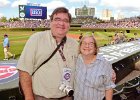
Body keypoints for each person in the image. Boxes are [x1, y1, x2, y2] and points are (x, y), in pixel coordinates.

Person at [17, 7, 79, 100]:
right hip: (42, 97)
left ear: (69, 24)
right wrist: (29, 97)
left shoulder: (74, 44)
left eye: (65, 20)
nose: (61, 23)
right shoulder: (36, 39)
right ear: (51, 22)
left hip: (68, 96)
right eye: (57, 19)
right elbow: (24, 71)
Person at [74, 34, 116, 100]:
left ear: (95, 47)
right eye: (84, 43)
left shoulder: (104, 63)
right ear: (80, 46)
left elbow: (109, 87)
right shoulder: (75, 60)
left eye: (91, 44)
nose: (87, 46)